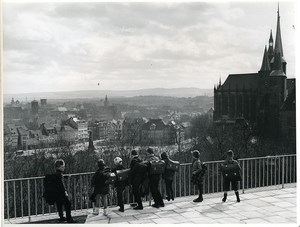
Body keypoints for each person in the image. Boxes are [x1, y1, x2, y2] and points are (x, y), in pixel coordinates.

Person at [53, 159, 76, 223]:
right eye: (62, 167)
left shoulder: (56, 174)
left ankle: (61, 217)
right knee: (68, 204)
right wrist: (65, 191)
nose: (64, 168)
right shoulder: (60, 175)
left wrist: (66, 176)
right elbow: (61, 183)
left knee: (59, 205)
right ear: (59, 167)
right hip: (61, 192)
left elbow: (60, 178)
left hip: (56, 193)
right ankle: (69, 218)